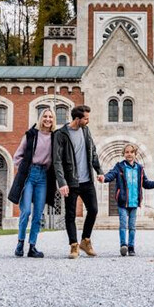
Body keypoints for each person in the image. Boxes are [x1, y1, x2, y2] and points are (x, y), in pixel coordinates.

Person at [52, 105, 103, 259]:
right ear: (77, 119)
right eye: (86, 118)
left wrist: (99, 171)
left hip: (87, 180)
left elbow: (92, 152)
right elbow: (57, 160)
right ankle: (74, 246)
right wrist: (62, 182)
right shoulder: (61, 134)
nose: (88, 121)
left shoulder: (86, 130)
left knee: (93, 210)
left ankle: (85, 241)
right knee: (71, 214)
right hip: (71, 181)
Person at [6, 108, 56, 258]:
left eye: (50, 117)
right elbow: (17, 156)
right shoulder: (31, 135)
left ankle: (32, 246)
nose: (48, 119)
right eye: (45, 116)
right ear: (41, 118)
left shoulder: (55, 137)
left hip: (43, 177)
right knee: (26, 211)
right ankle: (20, 243)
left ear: (53, 120)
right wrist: (23, 170)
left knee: (38, 214)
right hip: (29, 174)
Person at [98, 143, 154, 256]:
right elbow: (111, 175)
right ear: (123, 154)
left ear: (135, 154)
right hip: (122, 201)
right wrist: (104, 178)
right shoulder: (119, 166)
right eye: (127, 152)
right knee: (123, 224)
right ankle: (123, 245)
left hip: (134, 202)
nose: (129, 154)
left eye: (131, 152)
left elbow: (146, 183)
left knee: (132, 226)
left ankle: (131, 247)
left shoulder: (140, 168)